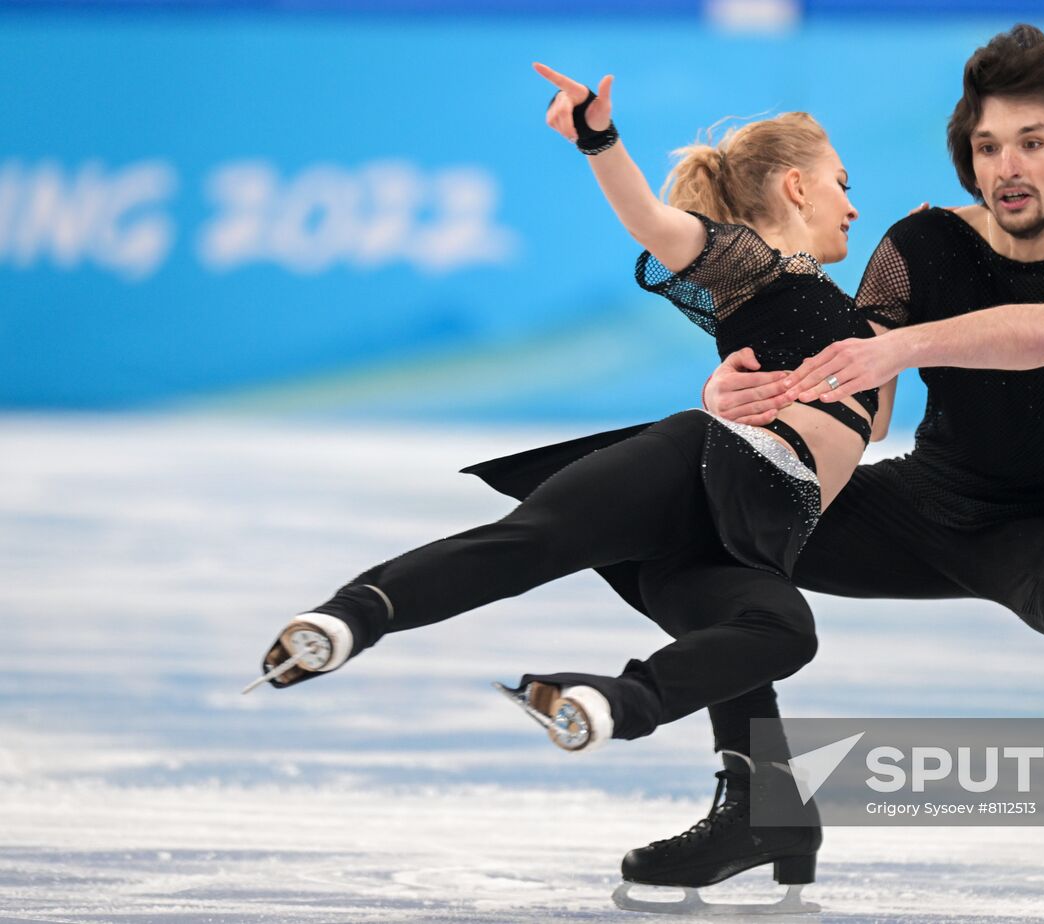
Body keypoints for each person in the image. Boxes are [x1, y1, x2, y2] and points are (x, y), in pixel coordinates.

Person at [246, 63, 894, 913]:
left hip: (757, 528)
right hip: (705, 464)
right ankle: (348, 619)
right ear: (797, 186)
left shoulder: (851, 320)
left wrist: (914, 282)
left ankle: (664, 740)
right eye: (844, 184)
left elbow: (877, 418)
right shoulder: (757, 266)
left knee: (780, 632)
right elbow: (656, 223)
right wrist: (599, 139)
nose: (854, 207)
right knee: (534, 542)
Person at [656, 24, 1044, 923]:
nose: (1007, 167)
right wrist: (743, 395)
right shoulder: (919, 245)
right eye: (988, 147)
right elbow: (859, 399)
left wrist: (905, 345)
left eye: (1032, 143)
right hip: (930, 508)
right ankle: (758, 798)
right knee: (718, 522)